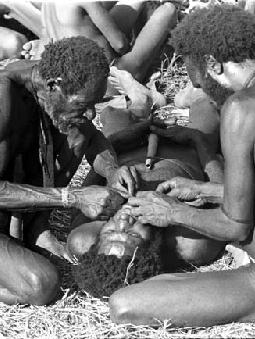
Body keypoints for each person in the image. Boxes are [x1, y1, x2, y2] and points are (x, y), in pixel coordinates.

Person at [107, 4, 255, 327]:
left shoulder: (242, 108)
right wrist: (205, 190)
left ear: (214, 65)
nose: (197, 88)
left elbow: (235, 226)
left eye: (196, 79)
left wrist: (169, 211)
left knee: (123, 305)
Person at [0, 36, 137, 306]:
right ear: (53, 86)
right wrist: (74, 197)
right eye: (83, 105)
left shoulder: (53, 78)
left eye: (94, 105)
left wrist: (112, 170)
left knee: (75, 130)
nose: (91, 114)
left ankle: (35, 230)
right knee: (42, 286)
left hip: (14, 213)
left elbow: (91, 135)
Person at [66, 70, 227, 298]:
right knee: (207, 110)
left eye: (110, 231)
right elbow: (225, 200)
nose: (123, 222)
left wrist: (115, 159)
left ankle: (141, 103)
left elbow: (88, 190)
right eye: (133, 235)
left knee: (112, 114)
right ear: (153, 250)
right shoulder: (190, 244)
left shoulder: (83, 238)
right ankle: (187, 97)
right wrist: (198, 142)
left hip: (126, 150)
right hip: (185, 149)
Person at [22, 1, 178, 82]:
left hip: (71, 77)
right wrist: (135, 51)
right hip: (107, 78)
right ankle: (143, 68)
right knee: (168, 10)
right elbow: (119, 44)